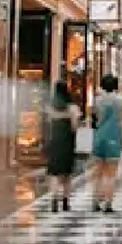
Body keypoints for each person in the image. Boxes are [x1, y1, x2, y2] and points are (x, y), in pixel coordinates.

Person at [92, 74, 122, 213]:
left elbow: (96, 118)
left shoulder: (98, 100)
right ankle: (108, 203)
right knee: (111, 174)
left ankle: (95, 202)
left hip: (99, 137)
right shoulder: (121, 101)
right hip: (113, 137)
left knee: (98, 173)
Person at [45, 82, 79, 212]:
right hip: (67, 142)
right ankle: (65, 201)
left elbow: (48, 124)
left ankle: (54, 200)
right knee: (66, 174)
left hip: (54, 141)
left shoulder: (50, 106)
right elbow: (74, 127)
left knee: (54, 173)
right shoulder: (72, 108)